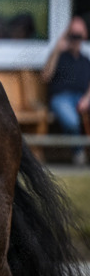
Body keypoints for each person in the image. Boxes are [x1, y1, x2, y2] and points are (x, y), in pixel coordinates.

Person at [42, 15, 90, 164]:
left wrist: (87, 99)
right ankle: (78, 153)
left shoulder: (85, 60)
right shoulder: (59, 56)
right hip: (61, 99)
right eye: (72, 35)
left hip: (82, 98)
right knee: (72, 121)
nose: (75, 39)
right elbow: (45, 76)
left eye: (78, 35)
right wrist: (56, 50)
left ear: (84, 36)